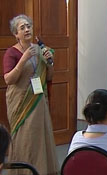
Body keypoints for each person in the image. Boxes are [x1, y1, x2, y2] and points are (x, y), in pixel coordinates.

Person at [2, 15, 59, 175]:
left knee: (40, 137)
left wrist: (50, 63)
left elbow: (48, 77)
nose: (27, 30)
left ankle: (42, 170)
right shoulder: (11, 53)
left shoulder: (41, 50)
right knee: (25, 138)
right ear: (16, 34)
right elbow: (8, 79)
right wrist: (24, 59)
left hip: (39, 101)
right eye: (22, 28)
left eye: (28, 26)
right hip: (20, 104)